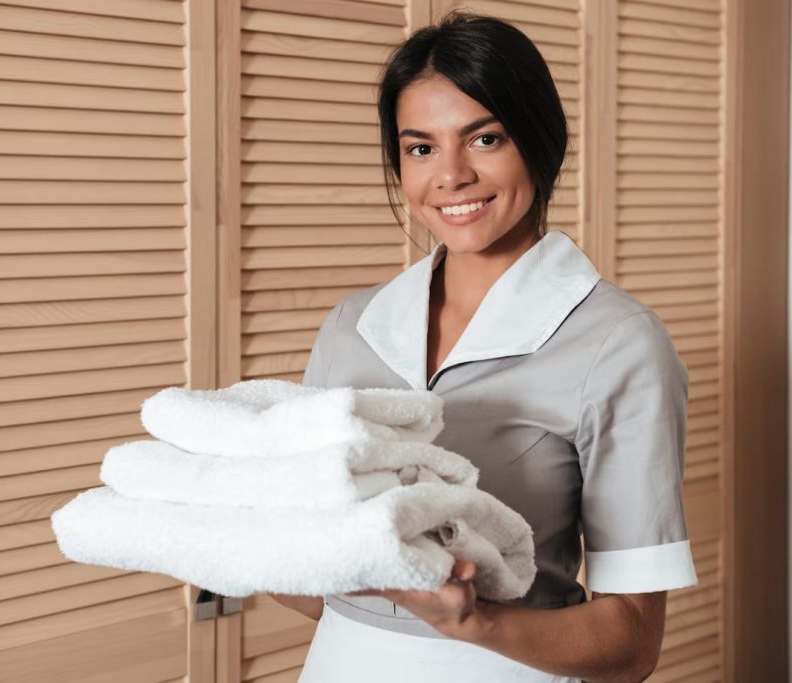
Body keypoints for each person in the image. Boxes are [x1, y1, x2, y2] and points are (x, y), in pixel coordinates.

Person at [270, 11, 697, 683]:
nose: (452, 175)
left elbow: (633, 643)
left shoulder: (617, 344)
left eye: (485, 138)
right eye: (421, 148)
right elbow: (313, 577)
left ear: (538, 141)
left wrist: (474, 620)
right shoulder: (352, 325)